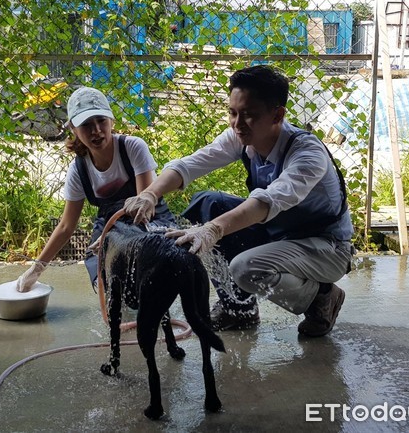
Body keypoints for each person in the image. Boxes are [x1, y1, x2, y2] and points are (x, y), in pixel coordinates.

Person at [123, 65, 354, 336]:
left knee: (246, 268)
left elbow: (267, 202)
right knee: (207, 203)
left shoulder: (307, 154)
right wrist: (150, 193)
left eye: (249, 115)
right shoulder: (243, 137)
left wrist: (213, 229)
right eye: (232, 113)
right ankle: (238, 309)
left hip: (324, 246)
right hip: (279, 233)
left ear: (277, 114)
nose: (237, 123)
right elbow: (190, 165)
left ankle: (321, 297)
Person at [16, 86, 175, 292]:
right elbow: (66, 226)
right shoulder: (79, 170)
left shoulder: (133, 148)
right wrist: (37, 268)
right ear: (73, 129)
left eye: (101, 121)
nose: (96, 131)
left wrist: (114, 239)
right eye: (86, 125)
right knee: (101, 270)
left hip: (148, 220)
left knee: (154, 262)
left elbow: (143, 211)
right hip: (109, 225)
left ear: (112, 121)